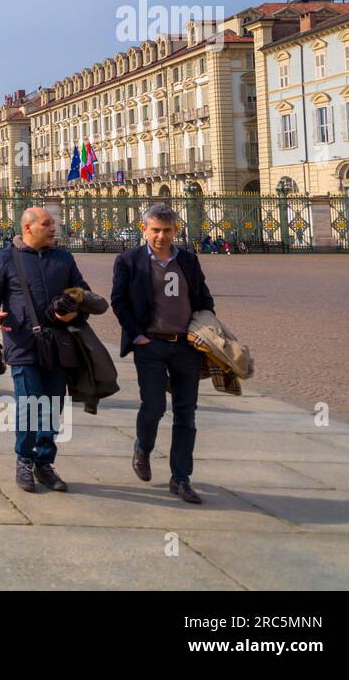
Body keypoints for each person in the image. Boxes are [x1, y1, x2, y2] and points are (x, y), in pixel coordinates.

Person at [111, 202, 216, 505]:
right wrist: (137, 336)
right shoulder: (128, 261)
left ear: (175, 231)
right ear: (143, 229)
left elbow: (204, 298)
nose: (160, 236)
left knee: (186, 413)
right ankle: (143, 447)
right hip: (151, 345)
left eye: (167, 231)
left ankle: (181, 478)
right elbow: (119, 302)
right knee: (154, 406)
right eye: (155, 230)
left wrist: (204, 329)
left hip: (185, 345)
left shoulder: (188, 260)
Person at [0, 207, 90, 494]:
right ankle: (24, 459)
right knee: (29, 403)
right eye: (47, 224)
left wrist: (74, 310)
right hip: (22, 343)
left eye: (53, 223)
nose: (54, 228)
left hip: (58, 343)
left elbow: (82, 291)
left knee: (53, 407)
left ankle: (44, 461)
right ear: (28, 228)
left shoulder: (63, 259)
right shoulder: (7, 258)